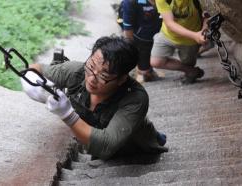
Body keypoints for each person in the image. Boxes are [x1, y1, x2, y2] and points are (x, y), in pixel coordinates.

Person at [21, 36, 168, 160]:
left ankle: (156, 136)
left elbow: (106, 146)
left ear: (121, 79)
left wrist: (67, 114)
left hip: (134, 150)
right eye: (91, 66)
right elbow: (38, 69)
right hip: (97, 138)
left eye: (103, 75)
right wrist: (36, 89)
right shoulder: (76, 72)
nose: (92, 78)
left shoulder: (135, 98)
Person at [150, 0, 209, 84]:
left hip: (190, 40)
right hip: (167, 35)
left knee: (188, 62)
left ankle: (190, 72)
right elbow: (170, 23)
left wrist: (204, 31)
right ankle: (191, 71)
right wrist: (195, 36)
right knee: (156, 62)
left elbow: (208, 15)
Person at [122, 0, 162, 83]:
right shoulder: (130, 2)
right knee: (145, 72)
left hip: (161, 35)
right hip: (142, 40)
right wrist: (132, 47)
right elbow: (128, 28)